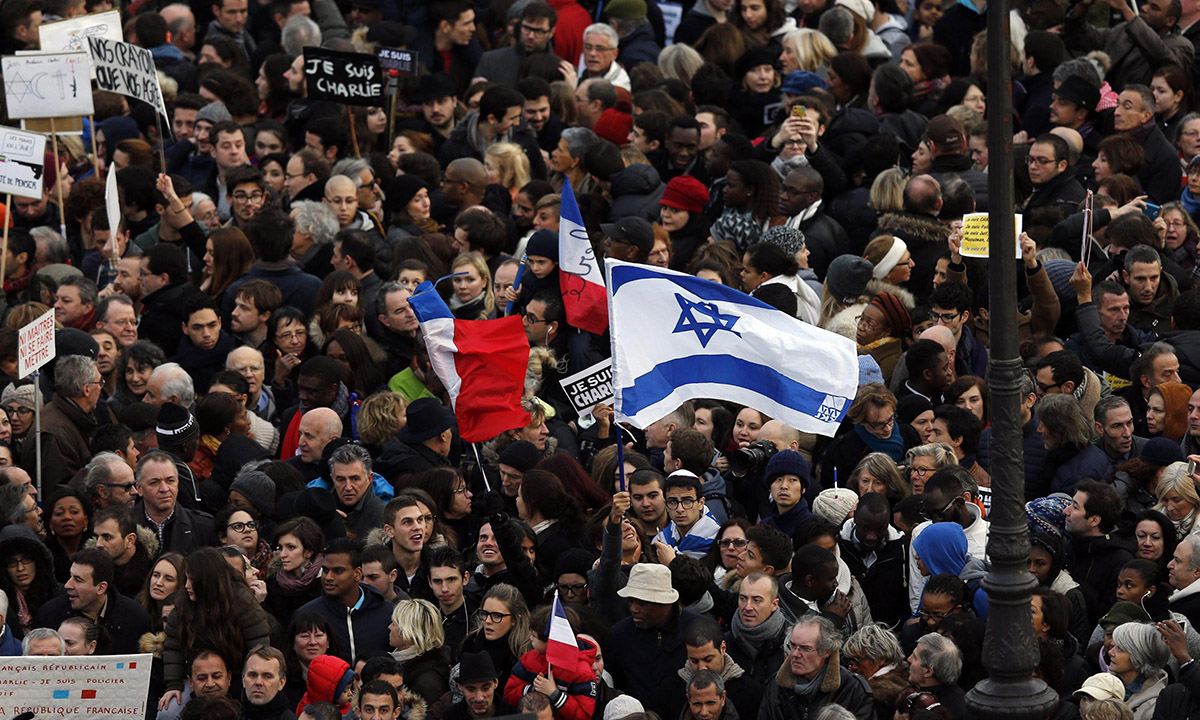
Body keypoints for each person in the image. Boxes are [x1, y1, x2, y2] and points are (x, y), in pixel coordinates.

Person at [31, 547, 149, 655]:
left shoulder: (135, 617)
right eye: (70, 576)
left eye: (78, 580)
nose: (68, 585)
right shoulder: (49, 615)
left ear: (101, 588)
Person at [296, 537, 393, 667]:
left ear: (357, 574)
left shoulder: (389, 614)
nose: (328, 577)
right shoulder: (306, 615)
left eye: (337, 571)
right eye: (325, 570)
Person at [759, 616, 873, 720]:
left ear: (826, 651)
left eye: (805, 648)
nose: (795, 654)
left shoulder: (853, 690)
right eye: (793, 646)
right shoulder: (776, 686)